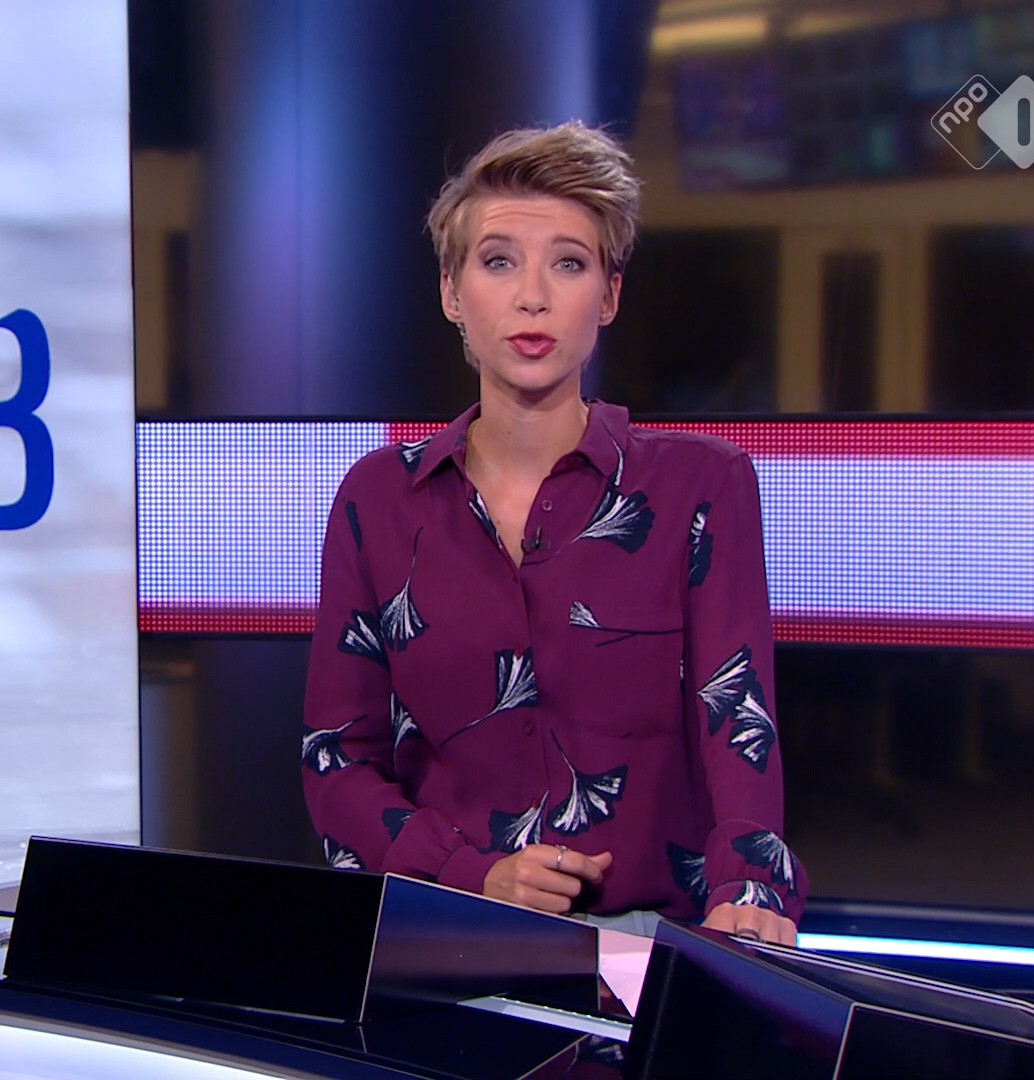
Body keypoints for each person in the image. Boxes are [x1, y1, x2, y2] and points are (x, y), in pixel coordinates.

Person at [300, 121, 805, 945]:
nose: (532, 296)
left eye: (568, 264)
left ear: (607, 296)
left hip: (650, 938)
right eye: (499, 261)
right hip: (448, 928)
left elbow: (736, 716)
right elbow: (337, 758)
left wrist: (750, 891)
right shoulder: (378, 500)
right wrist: (473, 875)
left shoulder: (700, 487)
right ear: (452, 292)